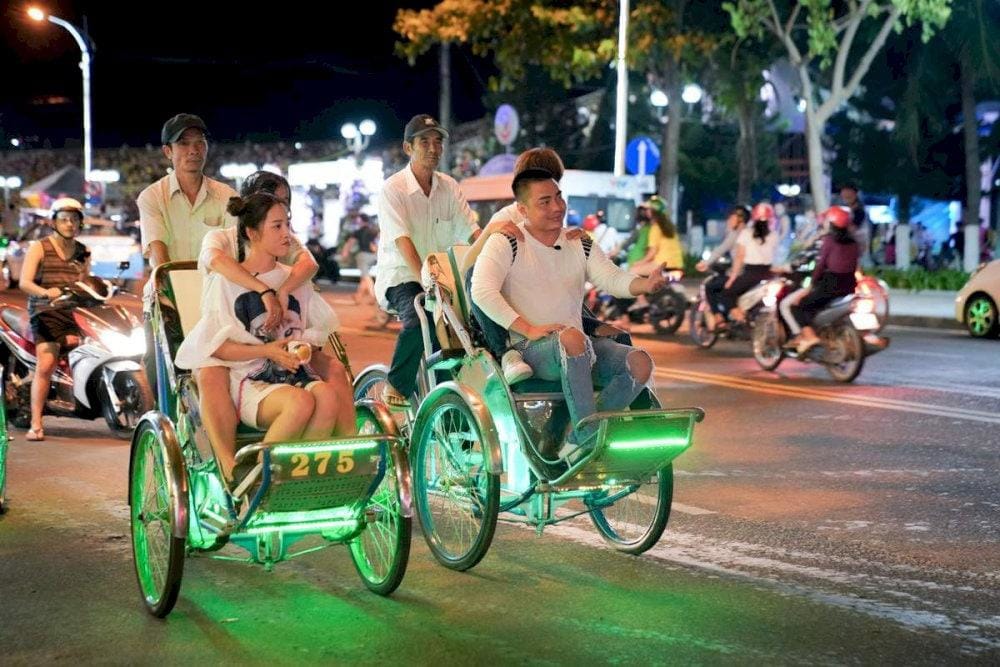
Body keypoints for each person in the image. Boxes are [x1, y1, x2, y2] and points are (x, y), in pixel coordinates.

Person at [471, 169, 667, 462]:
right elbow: (481, 291)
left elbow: (612, 278)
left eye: (559, 198)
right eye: (545, 201)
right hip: (531, 349)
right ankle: (588, 441)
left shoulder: (578, 241)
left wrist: (646, 285)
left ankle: (580, 437)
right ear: (522, 210)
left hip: (579, 346)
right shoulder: (507, 241)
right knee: (573, 339)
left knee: (640, 362)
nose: (557, 207)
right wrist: (528, 329)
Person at [176, 193, 353, 489]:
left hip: (294, 375)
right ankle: (258, 480)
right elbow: (216, 347)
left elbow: (313, 334)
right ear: (252, 233)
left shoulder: (294, 280)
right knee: (299, 402)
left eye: (288, 225)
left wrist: (302, 348)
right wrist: (268, 350)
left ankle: (296, 482)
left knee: (327, 396)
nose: (287, 234)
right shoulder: (226, 281)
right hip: (250, 380)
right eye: (277, 226)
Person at [375, 114, 482, 407]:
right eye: (424, 142)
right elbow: (402, 242)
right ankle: (396, 385)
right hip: (402, 276)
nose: (433, 148)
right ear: (408, 148)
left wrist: (493, 257)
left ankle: (449, 398)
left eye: (438, 141)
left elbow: (472, 232)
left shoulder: (449, 186)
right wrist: (428, 282)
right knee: (419, 315)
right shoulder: (393, 189)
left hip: (443, 278)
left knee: (467, 330)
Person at [18, 198, 91, 441]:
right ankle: (36, 423)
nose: (69, 224)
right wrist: (45, 292)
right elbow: (25, 282)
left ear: (80, 223)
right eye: (64, 219)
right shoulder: (39, 247)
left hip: (73, 312)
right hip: (45, 311)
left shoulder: (83, 251)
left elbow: (85, 282)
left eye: (74, 220)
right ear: (54, 222)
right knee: (47, 364)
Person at [788, 206, 860, 354]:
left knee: (798, 305)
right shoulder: (854, 243)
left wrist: (811, 285)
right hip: (849, 285)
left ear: (831, 223)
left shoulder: (829, 240)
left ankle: (809, 337)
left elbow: (821, 265)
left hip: (831, 285)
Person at [713, 202, 779, 329]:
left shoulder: (746, 233)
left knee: (726, 294)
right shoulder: (774, 235)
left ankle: (740, 319)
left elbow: (739, 257)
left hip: (751, 274)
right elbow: (776, 255)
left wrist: (732, 278)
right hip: (768, 274)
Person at [696, 204, 750, 324]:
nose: (728, 220)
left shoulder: (736, 234)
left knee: (710, 287)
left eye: (731, 218)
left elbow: (721, 250)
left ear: (740, 219)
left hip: (739, 274)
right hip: (752, 273)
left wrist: (706, 263)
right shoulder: (750, 232)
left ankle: (719, 318)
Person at [339, 213, 379, 304]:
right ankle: (358, 297)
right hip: (374, 256)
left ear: (361, 221)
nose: (357, 222)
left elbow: (350, 243)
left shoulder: (358, 232)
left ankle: (373, 295)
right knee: (364, 277)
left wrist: (345, 254)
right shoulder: (373, 231)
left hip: (363, 256)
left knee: (365, 276)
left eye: (358, 220)